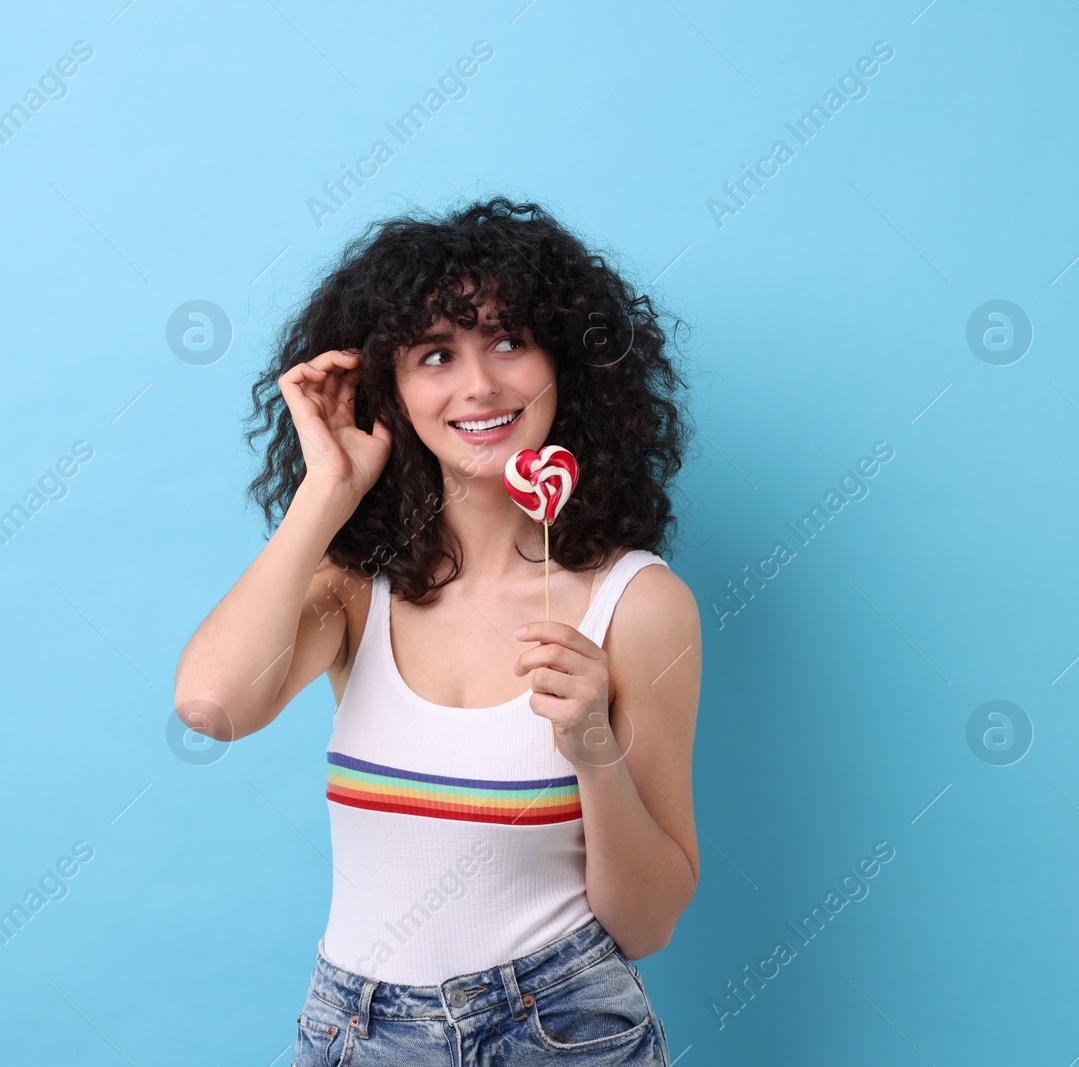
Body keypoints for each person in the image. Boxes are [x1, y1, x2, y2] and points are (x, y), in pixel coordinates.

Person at [173, 197, 701, 1064]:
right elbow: (210, 705)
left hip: (564, 1028)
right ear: (391, 388)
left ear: (563, 361)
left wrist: (595, 747)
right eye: (434, 354)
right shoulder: (354, 588)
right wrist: (326, 490)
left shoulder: (638, 605)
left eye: (508, 340)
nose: (479, 385)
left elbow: (647, 924)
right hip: (360, 1031)